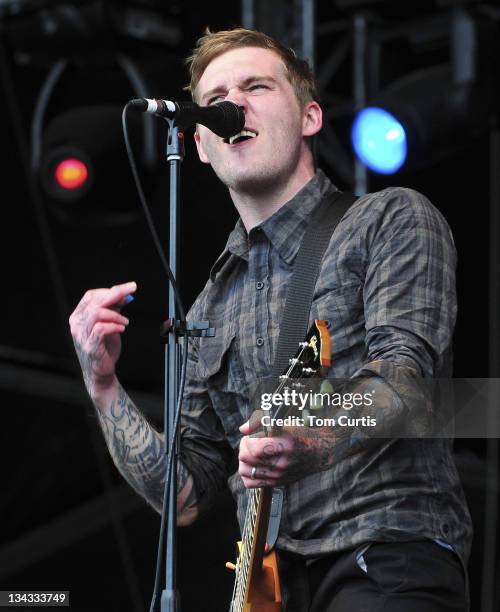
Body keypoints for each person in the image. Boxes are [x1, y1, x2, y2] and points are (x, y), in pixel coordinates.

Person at [69, 28, 472, 611]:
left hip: (384, 555)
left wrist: (308, 439)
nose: (235, 105)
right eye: (217, 99)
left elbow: (408, 386)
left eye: (257, 86)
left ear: (309, 117)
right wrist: (102, 385)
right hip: (272, 585)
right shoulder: (208, 302)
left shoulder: (388, 220)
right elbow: (186, 494)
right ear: (201, 145)